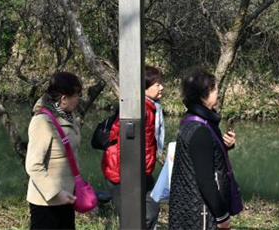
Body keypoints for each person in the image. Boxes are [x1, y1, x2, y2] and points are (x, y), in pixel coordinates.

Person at [168, 68, 238, 230]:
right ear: (202, 96)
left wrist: (225, 146)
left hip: (189, 206)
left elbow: (203, 158)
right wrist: (222, 216)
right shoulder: (200, 129)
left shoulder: (191, 120)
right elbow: (206, 180)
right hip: (201, 213)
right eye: (213, 89)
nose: (217, 92)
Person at [101, 65, 165, 229]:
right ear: (144, 87)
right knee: (132, 220)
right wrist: (128, 174)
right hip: (122, 174)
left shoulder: (152, 108)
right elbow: (121, 142)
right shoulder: (137, 109)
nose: (161, 87)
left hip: (142, 171)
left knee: (151, 210)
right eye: (157, 84)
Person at [25, 71, 83, 230]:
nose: (79, 99)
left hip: (67, 197)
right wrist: (56, 193)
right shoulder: (42, 121)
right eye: (77, 95)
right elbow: (33, 165)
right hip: (47, 202)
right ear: (64, 98)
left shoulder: (69, 117)